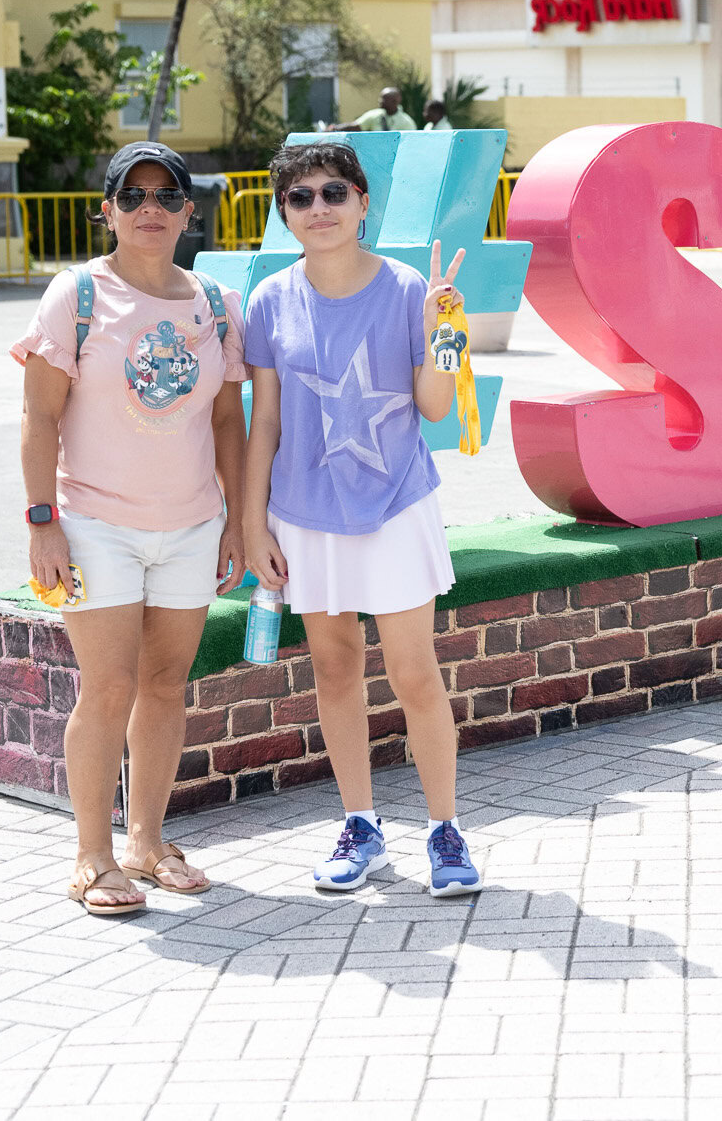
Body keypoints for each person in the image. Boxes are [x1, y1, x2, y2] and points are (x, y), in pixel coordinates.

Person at [240, 139, 482, 899]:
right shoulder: (268, 300)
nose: (319, 208)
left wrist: (446, 331)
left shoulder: (408, 288)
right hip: (305, 513)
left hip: (397, 505)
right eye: (300, 197)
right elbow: (265, 421)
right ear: (284, 212)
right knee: (335, 668)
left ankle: (445, 829)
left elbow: (436, 406)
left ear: (362, 202)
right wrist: (252, 523)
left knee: (414, 673)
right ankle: (361, 825)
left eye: (334, 192)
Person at [13, 140, 249, 914]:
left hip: (191, 525)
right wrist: (42, 522)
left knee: (165, 684)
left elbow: (227, 419)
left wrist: (235, 519)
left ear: (188, 211)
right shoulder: (77, 294)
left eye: (167, 195)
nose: (151, 208)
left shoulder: (215, 302)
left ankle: (147, 841)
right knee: (109, 686)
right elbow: (39, 416)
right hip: (95, 524)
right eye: (134, 195)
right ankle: (92, 856)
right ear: (107, 210)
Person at [346, 87, 416, 133]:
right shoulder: (374, 115)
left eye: (384, 99)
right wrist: (338, 129)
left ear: (394, 101)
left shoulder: (407, 122)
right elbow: (355, 127)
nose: (380, 101)